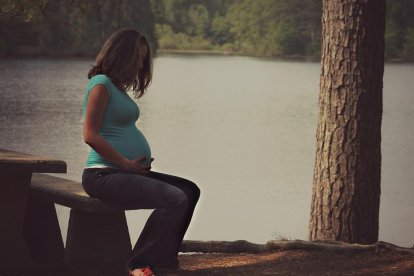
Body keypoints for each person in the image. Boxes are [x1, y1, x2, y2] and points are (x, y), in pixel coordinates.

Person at [81, 28, 200, 276]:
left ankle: (165, 261)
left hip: (124, 172)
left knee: (189, 191)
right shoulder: (100, 84)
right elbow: (90, 135)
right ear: (122, 55)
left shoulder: (116, 88)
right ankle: (138, 265)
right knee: (174, 198)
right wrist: (125, 163)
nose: (140, 64)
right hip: (103, 175)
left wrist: (133, 164)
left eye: (144, 59)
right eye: (138, 58)